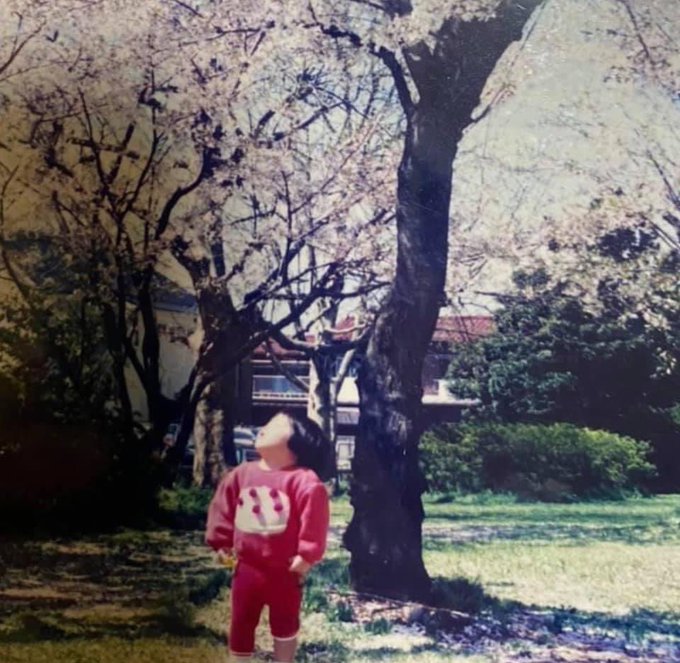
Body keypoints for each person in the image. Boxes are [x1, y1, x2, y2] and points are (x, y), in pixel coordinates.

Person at [205, 411, 333, 663]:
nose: (263, 428)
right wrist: (221, 541)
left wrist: (307, 555)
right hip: (247, 568)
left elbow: (314, 518)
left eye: (275, 426)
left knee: (285, 621)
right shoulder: (241, 474)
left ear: (296, 443)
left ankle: (284, 660)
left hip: (284, 570)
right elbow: (223, 508)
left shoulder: (303, 481)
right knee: (241, 619)